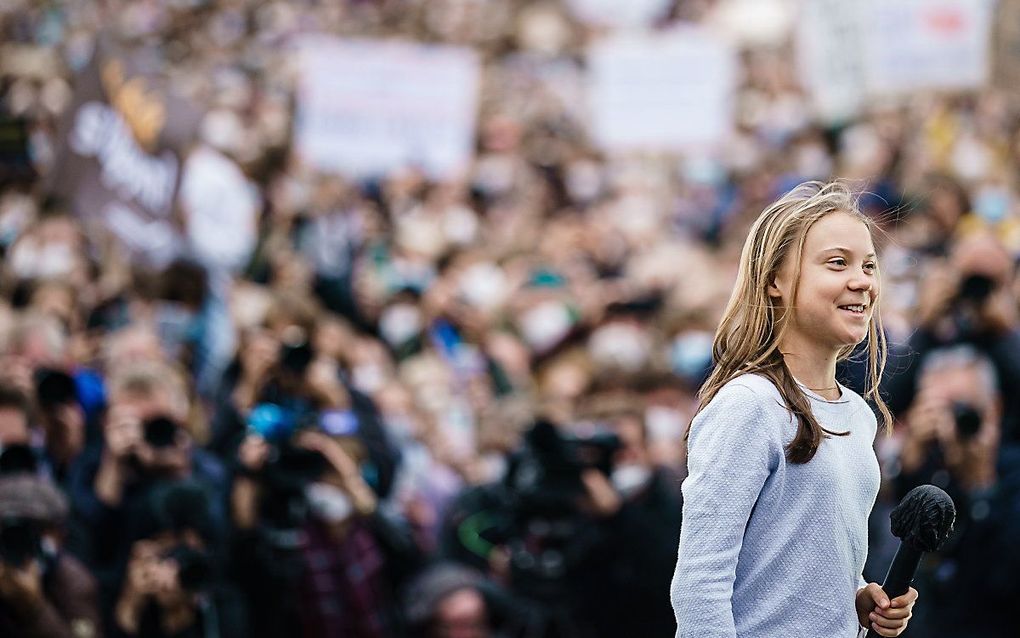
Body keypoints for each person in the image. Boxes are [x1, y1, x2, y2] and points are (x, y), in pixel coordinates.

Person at [670, 181, 917, 637]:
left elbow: (800, 564)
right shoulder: (748, 407)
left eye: (868, 265)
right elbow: (699, 584)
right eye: (837, 263)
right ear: (774, 281)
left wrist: (858, 597)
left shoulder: (859, 417)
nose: (862, 280)